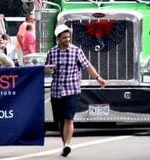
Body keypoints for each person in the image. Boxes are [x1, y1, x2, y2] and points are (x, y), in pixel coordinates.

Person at [45, 24, 106, 157]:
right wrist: (48, 70)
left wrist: (98, 78)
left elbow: (87, 66)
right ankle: (64, 145)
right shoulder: (51, 52)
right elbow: (47, 69)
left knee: (68, 118)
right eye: (64, 37)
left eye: (68, 37)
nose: (67, 39)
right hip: (56, 91)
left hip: (72, 90)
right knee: (60, 121)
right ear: (58, 39)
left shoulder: (76, 51)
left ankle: (67, 145)